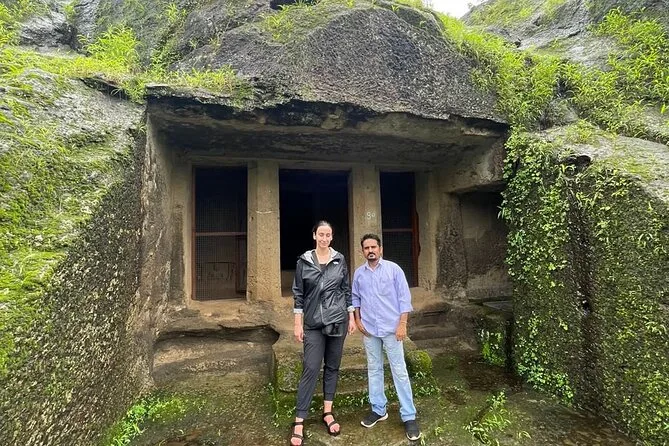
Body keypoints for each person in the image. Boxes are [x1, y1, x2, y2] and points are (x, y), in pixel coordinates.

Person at [289, 221, 356, 446]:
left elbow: (346, 289)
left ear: (332, 237)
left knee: (333, 366)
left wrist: (351, 317)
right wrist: (298, 324)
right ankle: (299, 420)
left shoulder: (339, 259)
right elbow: (298, 294)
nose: (324, 238)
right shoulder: (304, 261)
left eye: (328, 235)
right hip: (313, 324)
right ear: (314, 235)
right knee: (310, 367)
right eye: (321, 234)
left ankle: (328, 412)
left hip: (337, 321)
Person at [352, 233, 422, 441]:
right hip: (370, 329)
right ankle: (378, 409)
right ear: (362, 251)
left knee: (399, 371)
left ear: (380, 249)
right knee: (374, 369)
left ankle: (409, 416)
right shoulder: (359, 274)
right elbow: (355, 298)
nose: (370, 251)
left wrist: (402, 324)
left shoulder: (394, 270)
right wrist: (358, 320)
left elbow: (404, 298)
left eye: (373, 247)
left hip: (392, 329)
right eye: (366, 248)